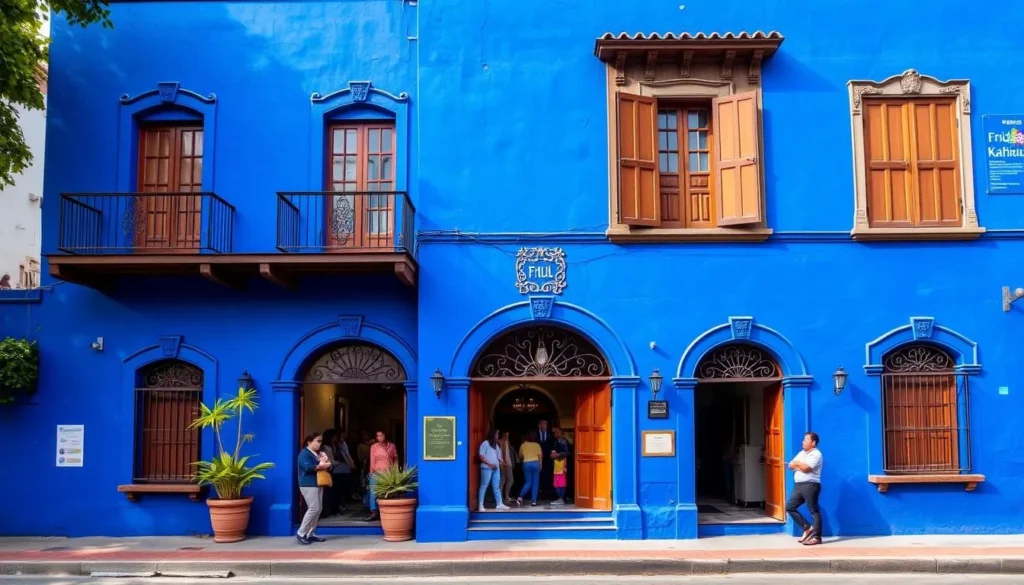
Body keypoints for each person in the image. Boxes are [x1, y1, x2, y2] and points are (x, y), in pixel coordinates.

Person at [786, 431, 824, 546]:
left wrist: (797, 464)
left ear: (813, 442)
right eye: (803, 440)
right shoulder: (802, 453)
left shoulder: (816, 454)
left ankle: (817, 537)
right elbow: (790, 465)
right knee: (790, 507)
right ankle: (807, 527)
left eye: (805, 440)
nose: (803, 442)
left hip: (810, 485)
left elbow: (807, 468)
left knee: (814, 511)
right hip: (799, 486)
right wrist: (798, 464)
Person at [296, 432, 332, 544]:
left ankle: (310, 533)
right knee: (314, 508)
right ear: (309, 442)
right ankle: (301, 533)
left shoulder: (316, 453)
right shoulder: (304, 454)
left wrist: (325, 461)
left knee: (318, 509)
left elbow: (325, 466)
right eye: (318, 441)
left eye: (321, 441)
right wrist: (321, 465)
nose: (320, 443)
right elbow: (307, 467)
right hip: (308, 484)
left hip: (317, 483)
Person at [365, 430, 398, 522]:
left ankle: (386, 512)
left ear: (385, 435)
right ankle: (374, 512)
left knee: (387, 493)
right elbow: (372, 460)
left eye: (381, 435)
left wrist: (395, 472)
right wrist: (371, 473)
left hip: (388, 474)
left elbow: (395, 459)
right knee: (373, 493)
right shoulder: (374, 447)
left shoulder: (392, 446)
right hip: (377, 472)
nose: (380, 437)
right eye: (377, 436)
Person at [477, 428, 510, 511]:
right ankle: (480, 505)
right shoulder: (485, 443)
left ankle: (499, 504)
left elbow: (499, 457)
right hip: (487, 468)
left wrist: (502, 461)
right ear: (492, 434)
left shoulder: (496, 445)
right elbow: (481, 456)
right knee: (484, 485)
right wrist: (490, 464)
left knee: (496, 487)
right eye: (496, 434)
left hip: (496, 469)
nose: (497, 436)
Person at [516, 430, 543, 507]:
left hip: (526, 463)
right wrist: (540, 464)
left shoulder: (523, 445)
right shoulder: (537, 445)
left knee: (528, 482)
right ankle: (533, 501)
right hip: (536, 463)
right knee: (535, 483)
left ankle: (520, 497)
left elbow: (520, 456)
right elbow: (540, 456)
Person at [551, 428, 570, 505]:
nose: (555, 433)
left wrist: (557, 455)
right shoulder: (555, 441)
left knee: (561, 483)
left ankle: (561, 498)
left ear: (561, 433)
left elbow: (566, 453)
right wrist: (552, 454)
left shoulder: (563, 442)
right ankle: (560, 498)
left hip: (562, 465)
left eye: (557, 432)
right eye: (555, 432)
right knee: (557, 482)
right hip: (556, 465)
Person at [536, 420, 555, 499]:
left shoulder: (550, 435)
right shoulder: (535, 434)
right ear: (539, 425)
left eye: (546, 425)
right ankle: (538, 491)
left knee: (547, 475)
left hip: (547, 459)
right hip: (537, 458)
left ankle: (546, 491)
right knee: (538, 475)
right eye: (543, 425)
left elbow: (552, 446)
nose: (544, 426)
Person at [498, 430, 516, 504]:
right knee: (509, 480)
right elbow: (504, 453)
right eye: (506, 435)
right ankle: (505, 497)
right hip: (506, 464)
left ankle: (502, 498)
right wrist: (504, 462)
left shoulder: (505, 442)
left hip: (505, 463)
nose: (507, 437)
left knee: (504, 480)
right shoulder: (503, 442)